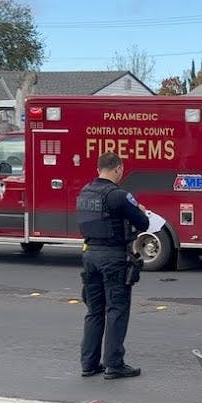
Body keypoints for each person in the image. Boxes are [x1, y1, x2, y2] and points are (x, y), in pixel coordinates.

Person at [76, 152, 149, 379]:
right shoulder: (118, 195)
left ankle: (89, 364)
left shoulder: (85, 192)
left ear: (98, 169)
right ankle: (114, 364)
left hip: (90, 255)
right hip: (113, 257)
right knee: (117, 309)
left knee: (94, 310)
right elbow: (143, 223)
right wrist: (141, 210)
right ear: (118, 169)